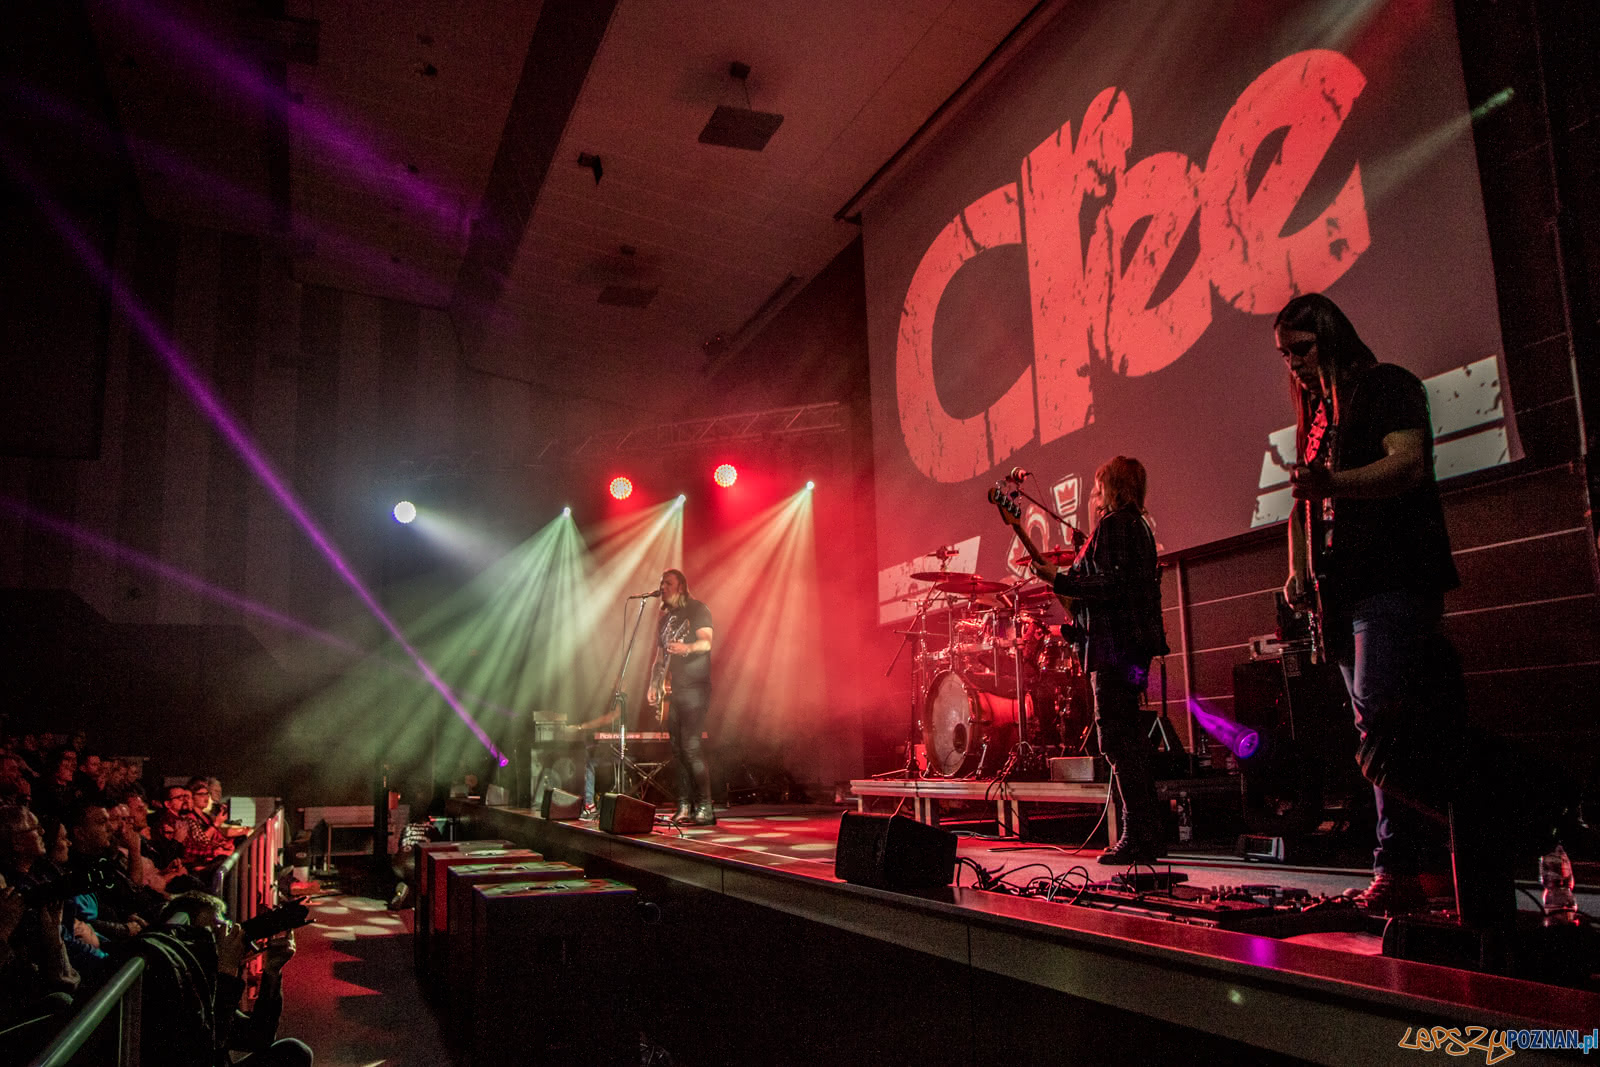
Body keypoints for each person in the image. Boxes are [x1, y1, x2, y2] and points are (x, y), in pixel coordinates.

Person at [1274, 292, 1460, 914]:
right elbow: (1302, 502)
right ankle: (1406, 867)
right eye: (1285, 355)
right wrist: (1297, 568)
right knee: (1373, 726)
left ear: (1331, 336)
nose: (1293, 364)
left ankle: (1412, 862)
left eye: (1301, 349)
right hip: (1346, 590)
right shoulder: (1317, 416)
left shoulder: (1386, 386)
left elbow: (1408, 464)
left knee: (1385, 721)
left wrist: (1332, 483)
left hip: (1394, 576)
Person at [1028, 457, 1169, 864]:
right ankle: (1146, 833)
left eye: (1098, 486)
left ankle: (1137, 834)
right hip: (1131, 647)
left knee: (1117, 738)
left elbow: (1109, 585)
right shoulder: (1138, 525)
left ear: (1112, 488)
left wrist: (1059, 578)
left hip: (1114, 648)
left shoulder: (1115, 525)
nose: (1093, 494)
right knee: (1129, 738)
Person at [646, 569, 716, 826]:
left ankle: (705, 808)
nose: (662, 587)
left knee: (691, 746)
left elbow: (706, 642)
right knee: (677, 750)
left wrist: (686, 648)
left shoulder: (697, 609)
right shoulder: (665, 620)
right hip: (673, 690)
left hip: (695, 688)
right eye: (661, 583)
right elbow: (660, 657)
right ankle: (684, 806)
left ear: (681, 587)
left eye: (668, 583)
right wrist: (654, 684)